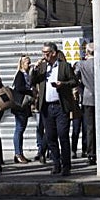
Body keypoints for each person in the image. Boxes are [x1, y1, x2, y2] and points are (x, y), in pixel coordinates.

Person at [33, 40, 77, 176]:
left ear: (53, 53)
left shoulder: (64, 66)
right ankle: (56, 164)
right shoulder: (42, 68)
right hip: (46, 107)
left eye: (46, 53)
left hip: (60, 106)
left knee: (63, 135)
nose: (44, 56)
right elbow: (32, 82)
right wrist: (34, 70)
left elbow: (74, 81)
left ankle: (66, 165)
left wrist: (62, 84)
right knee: (51, 137)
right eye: (43, 53)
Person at [74, 44, 97, 165]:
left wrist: (80, 89)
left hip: (87, 98)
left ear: (87, 52)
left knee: (89, 128)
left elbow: (75, 78)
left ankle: (91, 154)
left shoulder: (81, 65)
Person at [11, 55, 33, 164]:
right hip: (20, 106)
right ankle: (18, 153)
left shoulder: (26, 75)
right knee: (19, 129)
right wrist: (30, 91)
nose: (29, 65)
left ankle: (19, 153)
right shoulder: (20, 75)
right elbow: (19, 88)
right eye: (27, 63)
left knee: (21, 129)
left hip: (24, 106)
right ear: (22, 64)